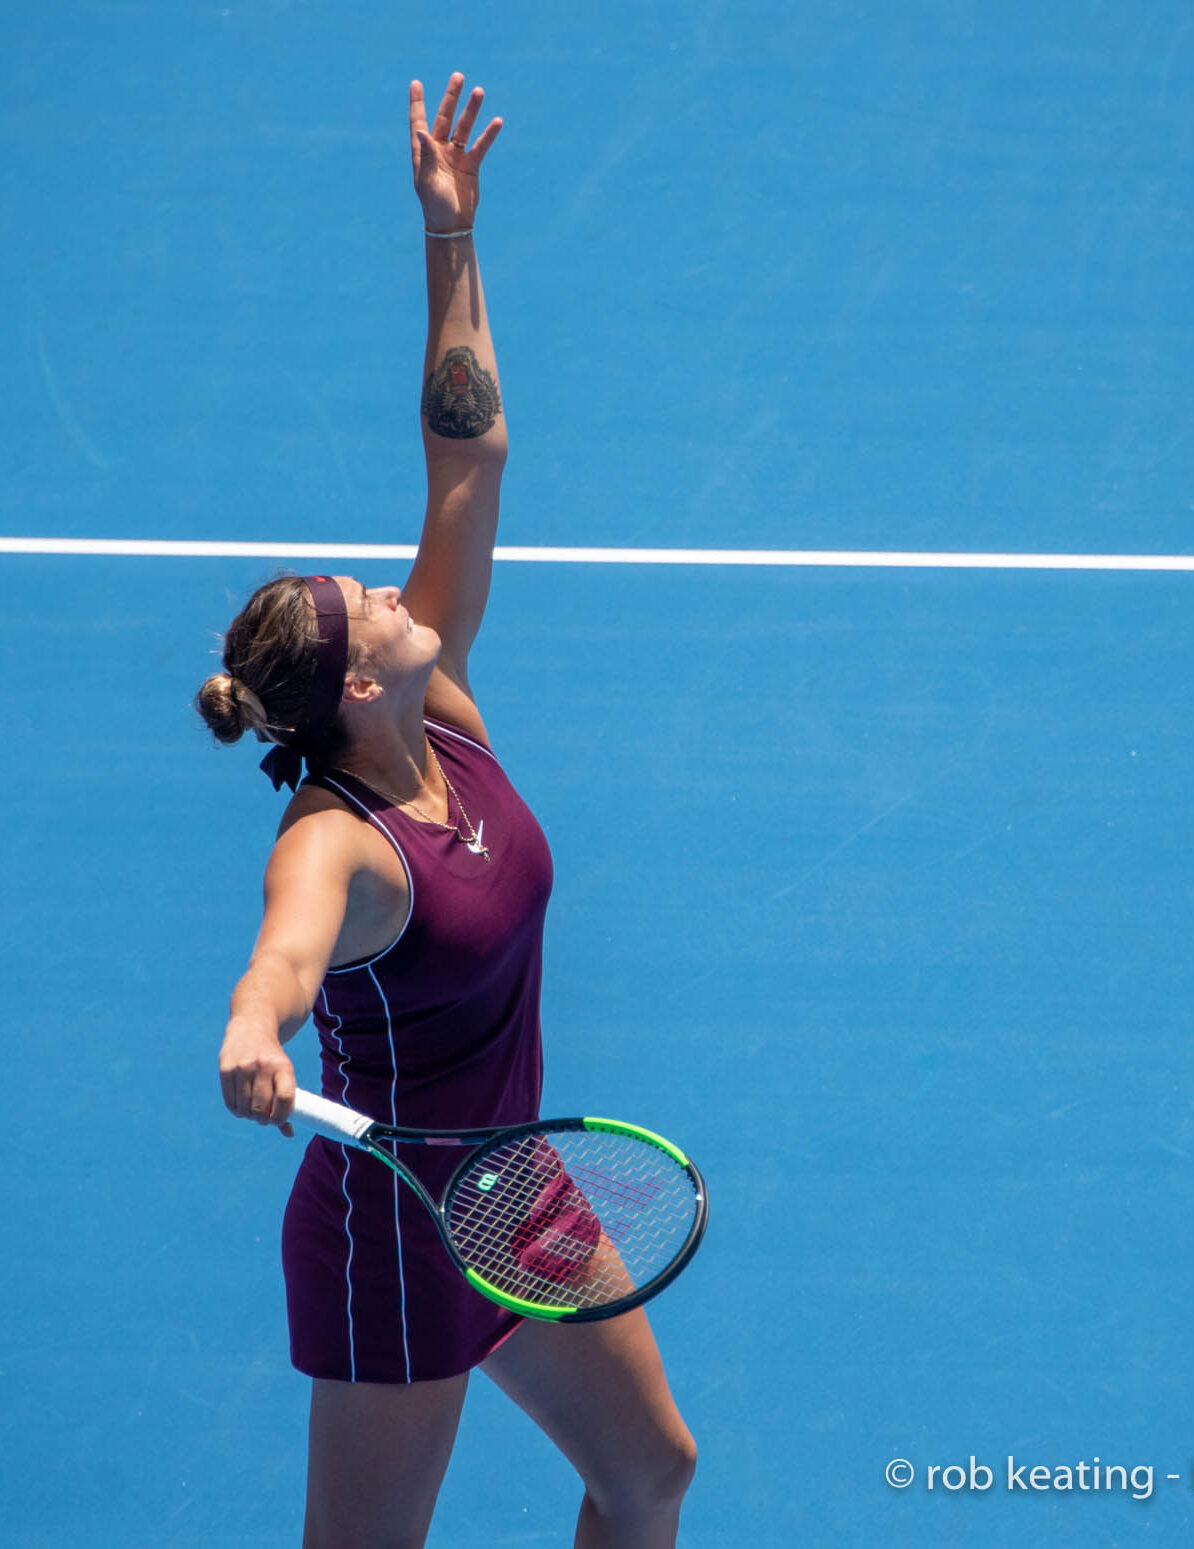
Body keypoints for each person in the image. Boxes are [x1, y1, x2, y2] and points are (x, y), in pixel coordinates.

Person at [197, 72, 696, 1549]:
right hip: (394, 1231)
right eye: (363, 600)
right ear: (353, 684)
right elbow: (284, 960)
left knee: (650, 1472)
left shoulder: (445, 712)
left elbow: (466, 453)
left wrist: (447, 235)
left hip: (507, 1183)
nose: (385, 587)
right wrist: (249, 1032)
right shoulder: (339, 842)